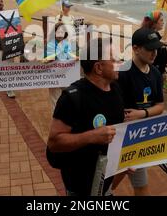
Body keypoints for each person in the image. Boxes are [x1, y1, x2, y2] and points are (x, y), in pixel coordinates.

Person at [47, 37, 124, 196]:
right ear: (99, 68)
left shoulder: (116, 88)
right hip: (79, 184)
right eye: (115, 59)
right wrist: (91, 136)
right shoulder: (72, 97)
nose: (121, 62)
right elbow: (54, 142)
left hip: (107, 179)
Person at [116, 28, 164, 196]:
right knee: (110, 179)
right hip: (121, 138)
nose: (154, 53)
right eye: (150, 49)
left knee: (141, 185)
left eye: (156, 49)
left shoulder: (156, 73)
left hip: (140, 138)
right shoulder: (122, 73)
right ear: (136, 49)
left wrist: (142, 114)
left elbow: (160, 106)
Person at [141, 10, 167, 80]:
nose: (163, 22)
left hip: (158, 71)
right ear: (154, 23)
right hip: (151, 73)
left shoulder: (156, 34)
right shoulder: (150, 35)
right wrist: (159, 44)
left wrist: (163, 70)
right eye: (161, 20)